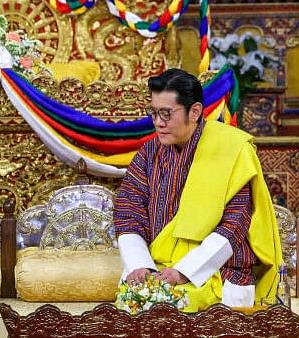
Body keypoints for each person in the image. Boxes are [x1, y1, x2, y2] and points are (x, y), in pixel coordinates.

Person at [113, 68, 282, 312]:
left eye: (166, 114)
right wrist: (140, 266)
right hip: (156, 269)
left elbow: (235, 223)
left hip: (218, 272)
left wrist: (183, 271)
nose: (158, 123)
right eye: (154, 113)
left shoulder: (232, 150)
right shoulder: (148, 154)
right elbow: (128, 212)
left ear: (195, 112)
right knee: (134, 305)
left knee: (178, 308)